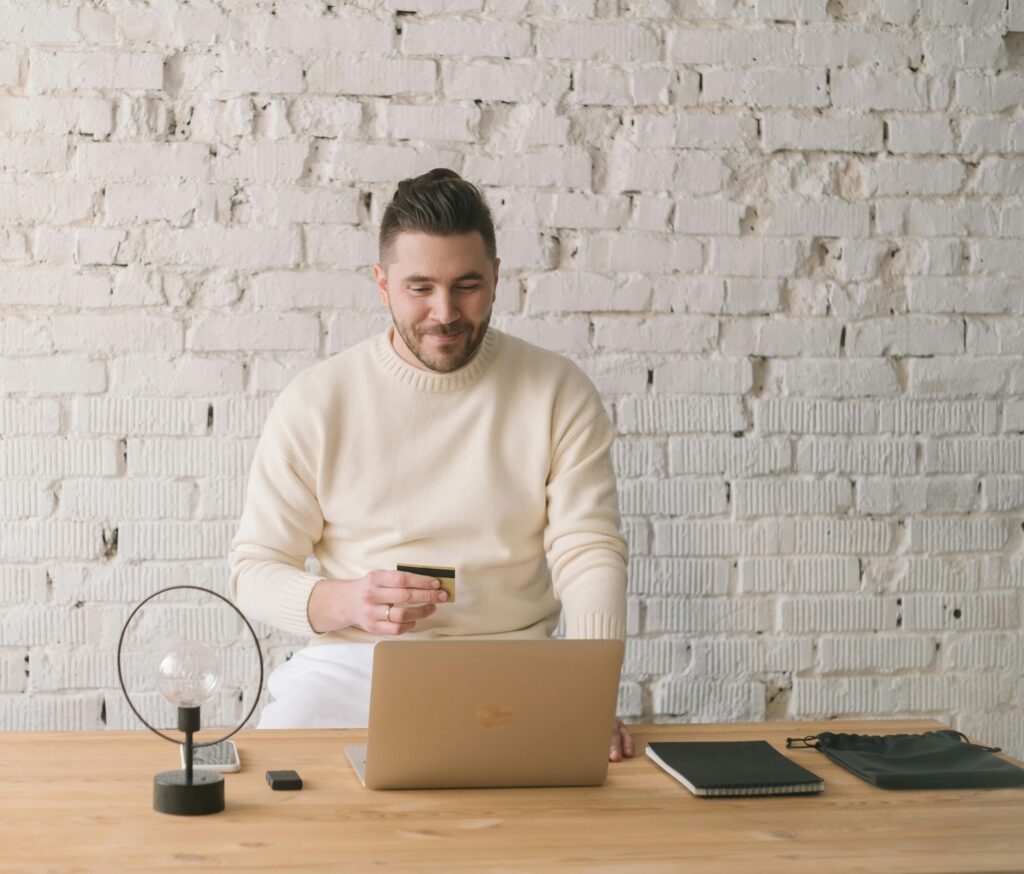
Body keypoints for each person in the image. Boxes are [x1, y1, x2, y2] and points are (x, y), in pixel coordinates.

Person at [229, 168, 634, 761]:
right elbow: (254, 570)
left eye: (466, 285)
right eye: (420, 288)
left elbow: (589, 550)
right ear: (382, 284)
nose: (445, 313)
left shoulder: (557, 391)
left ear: (496, 278)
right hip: (355, 664)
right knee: (279, 788)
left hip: (515, 662)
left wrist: (593, 695)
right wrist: (347, 600)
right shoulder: (319, 400)